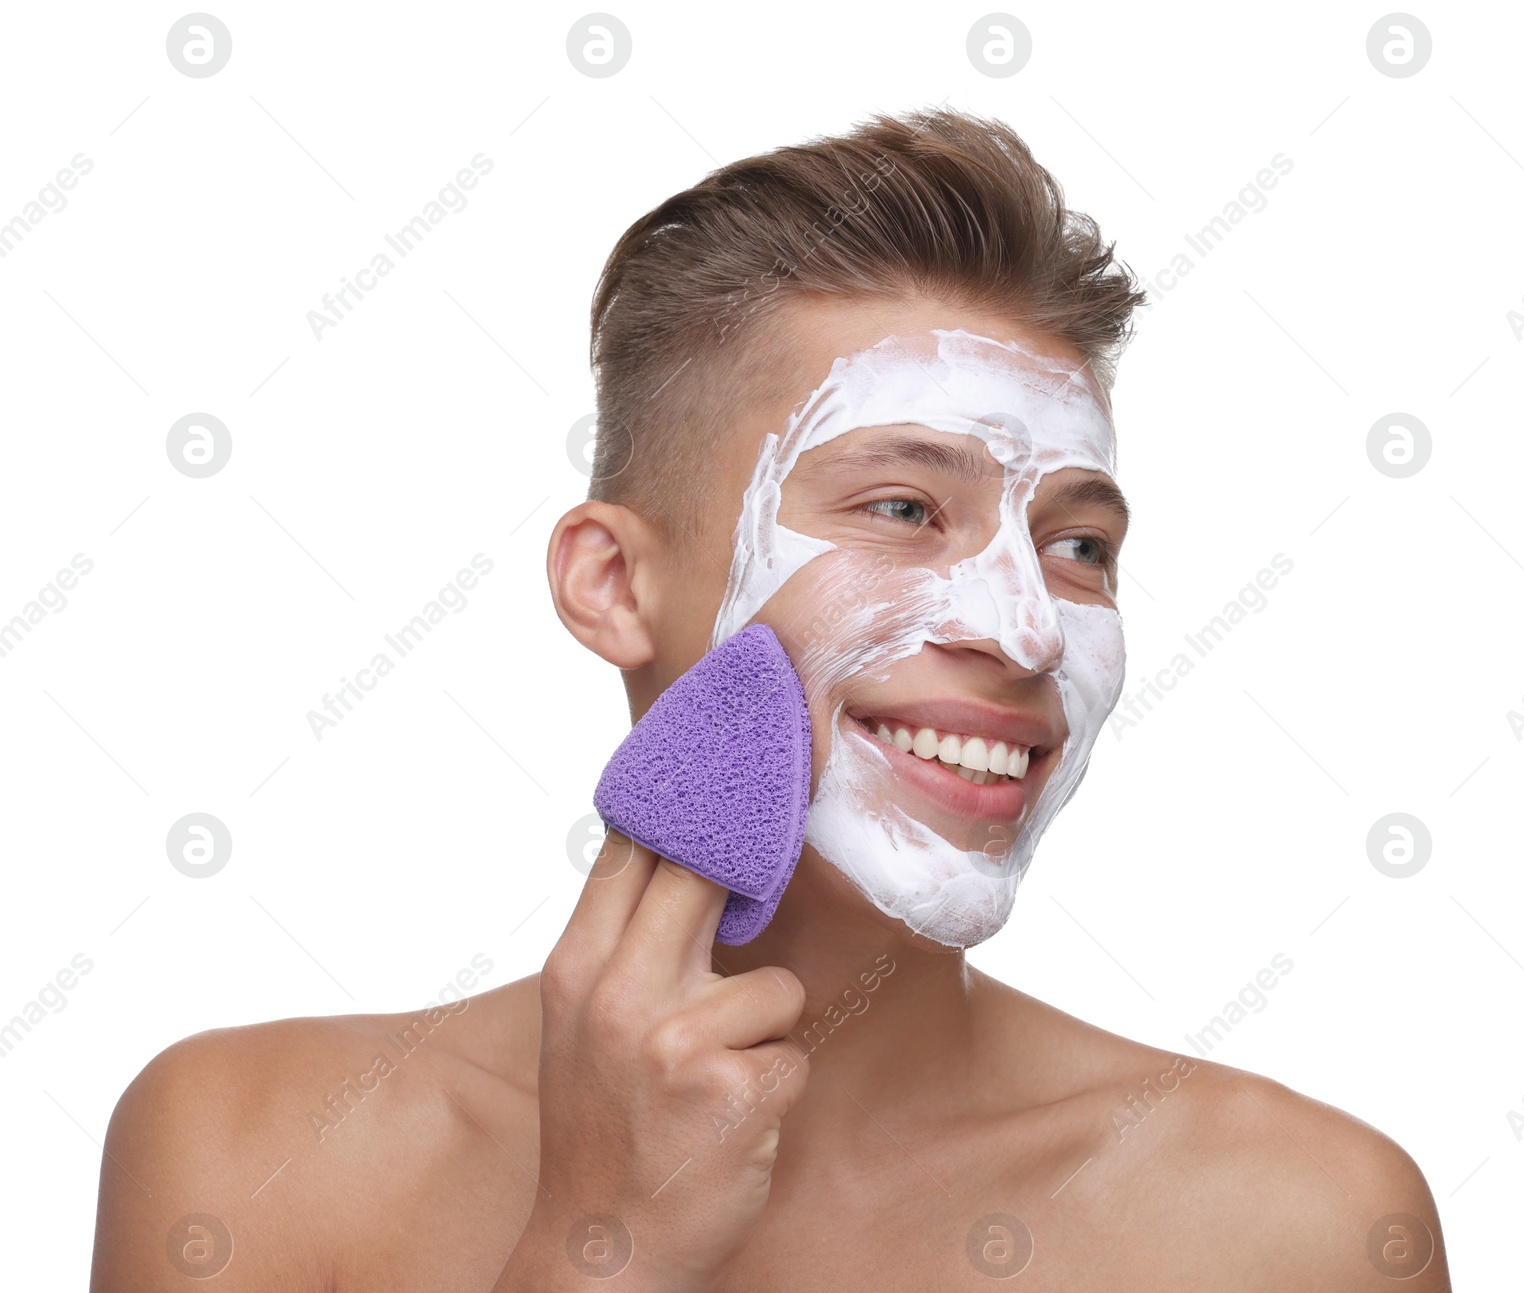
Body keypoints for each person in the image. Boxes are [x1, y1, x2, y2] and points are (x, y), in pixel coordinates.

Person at [91, 107, 1451, 1291]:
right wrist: (592, 1247)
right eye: (905, 507)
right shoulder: (247, 1156)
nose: (1027, 624)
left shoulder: (1307, 1227)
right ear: (614, 584)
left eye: (1079, 543)